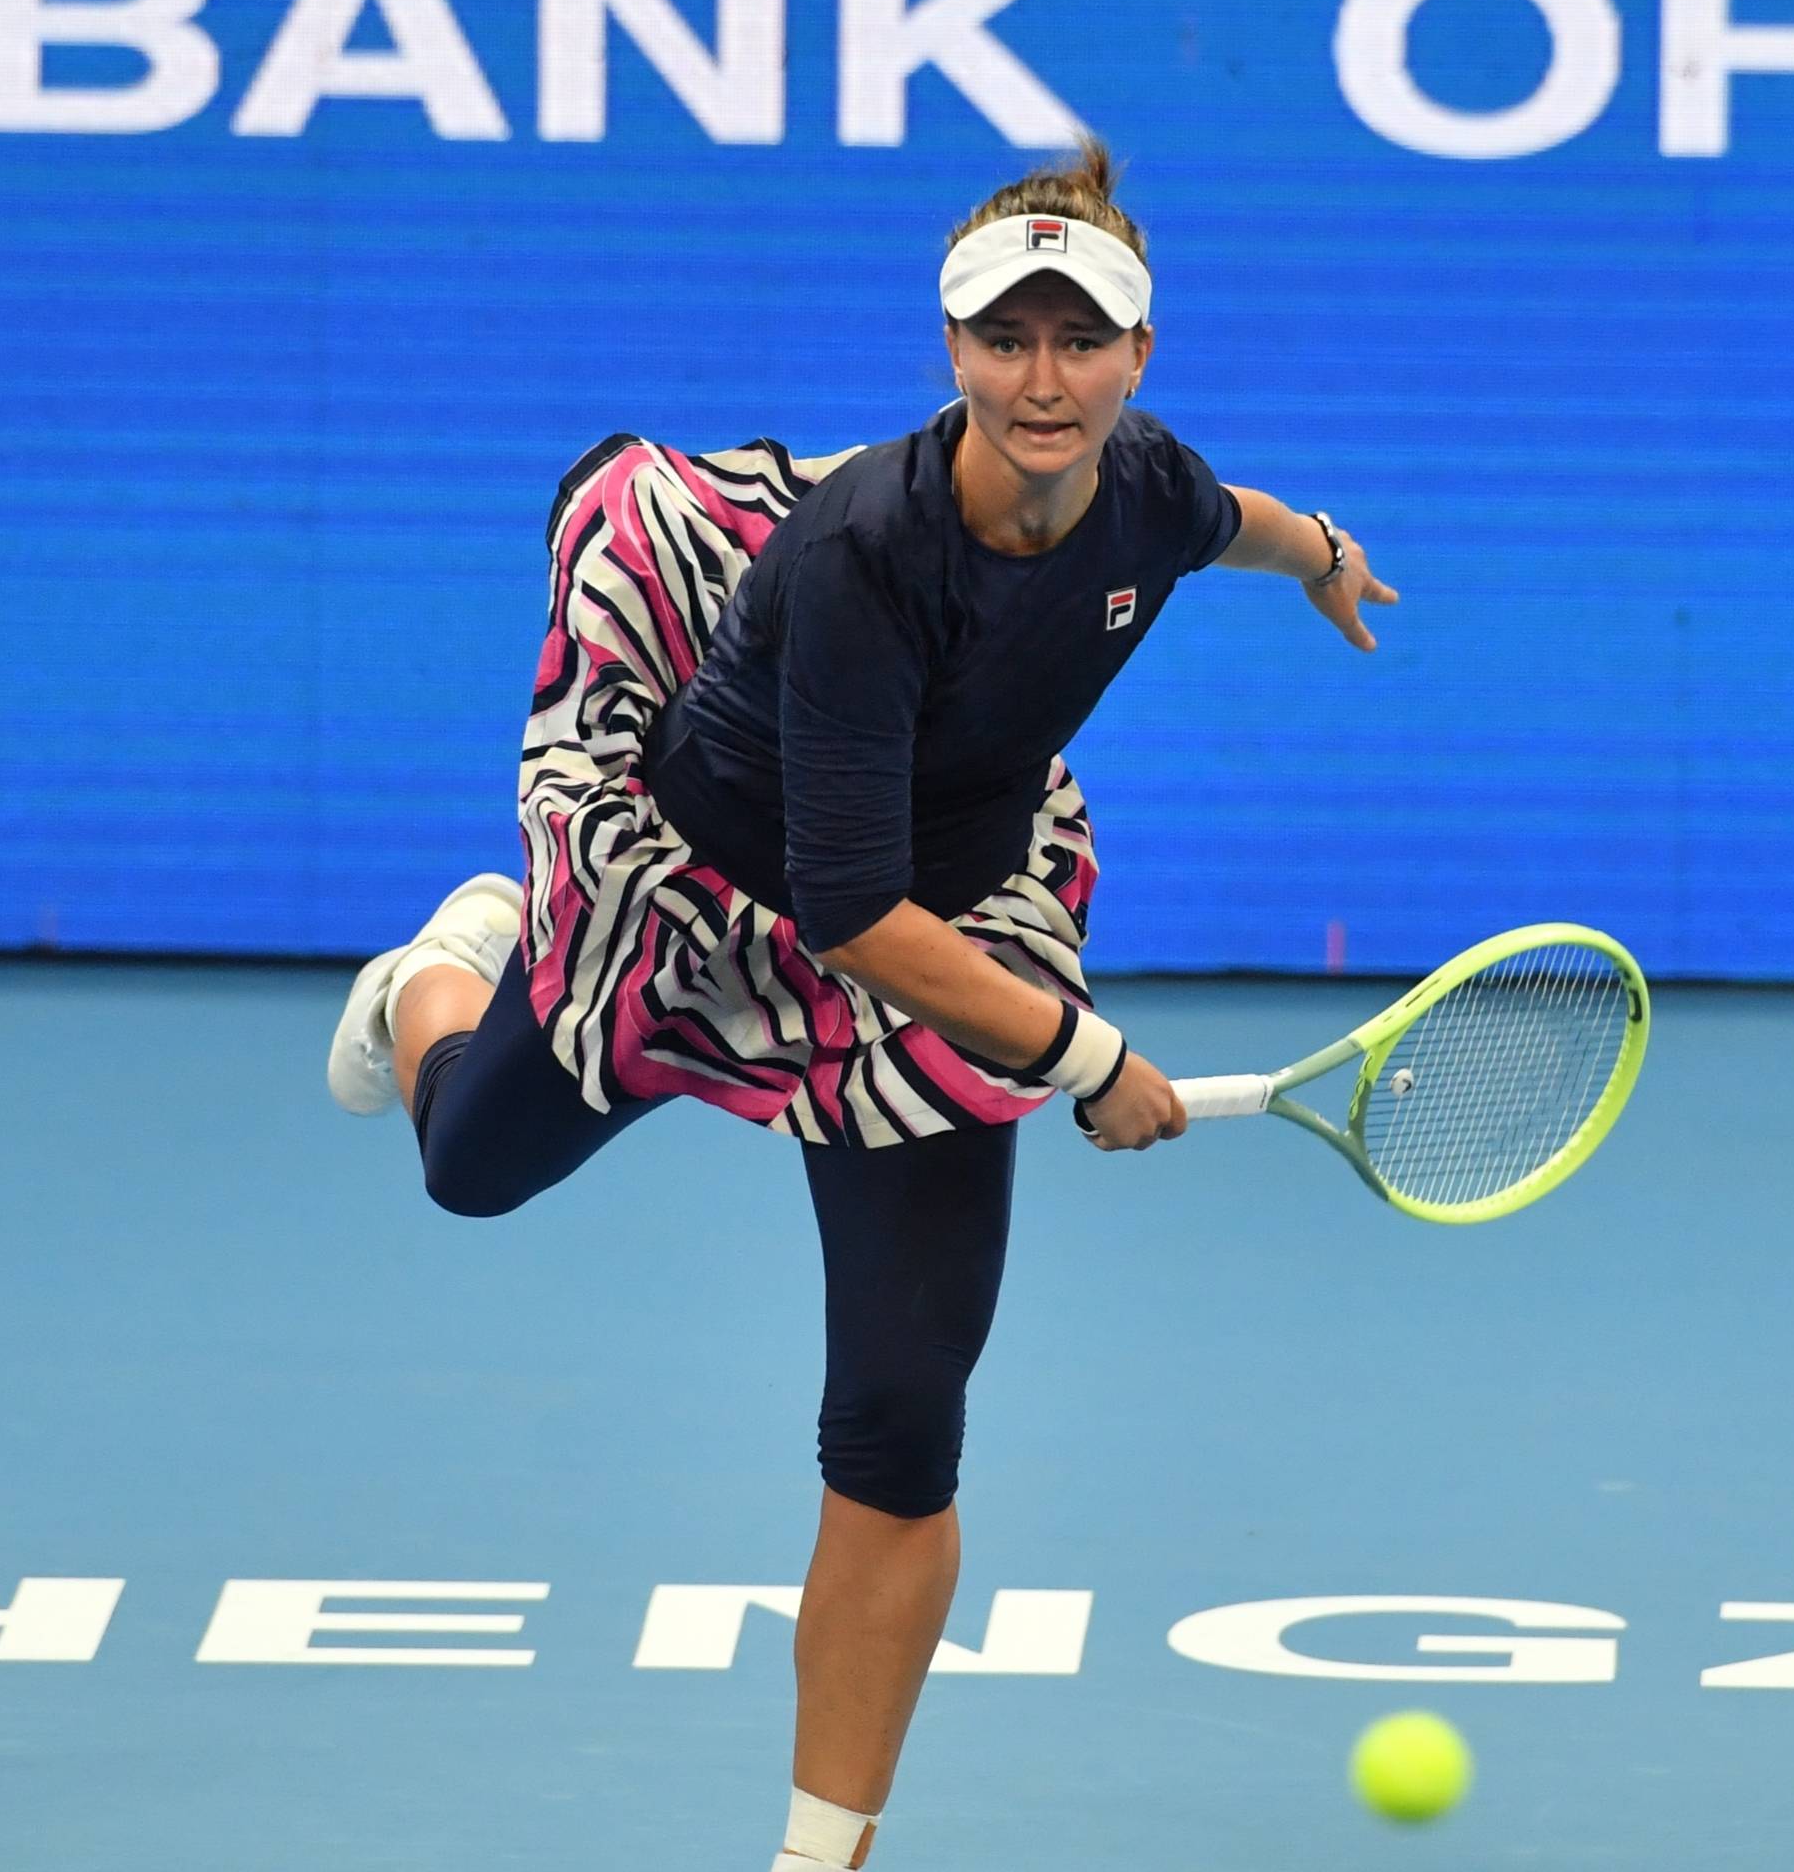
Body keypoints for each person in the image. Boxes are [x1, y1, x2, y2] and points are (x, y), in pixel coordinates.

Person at [324, 136, 1396, 1871]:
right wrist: (1089, 1053)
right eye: (1005, 340)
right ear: (951, 346)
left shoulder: (1150, 487)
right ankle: (451, 961)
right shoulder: (863, 558)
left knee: (901, 1426)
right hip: (718, 896)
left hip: (947, 921)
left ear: (1138, 356)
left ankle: (819, 1858)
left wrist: (1324, 551)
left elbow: (1235, 527)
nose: (1041, 381)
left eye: (1080, 342)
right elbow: (850, 913)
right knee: (467, 1164)